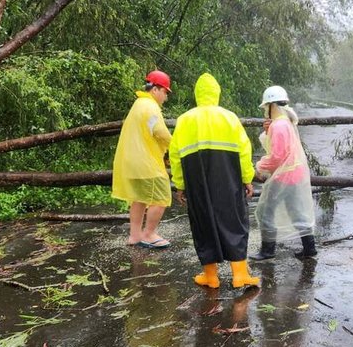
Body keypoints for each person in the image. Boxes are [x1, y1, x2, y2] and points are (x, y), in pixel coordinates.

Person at [169, 72, 259, 289]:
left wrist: (180, 185)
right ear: (217, 93)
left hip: (196, 180)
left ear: (197, 94)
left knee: (203, 222)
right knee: (234, 219)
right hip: (228, 178)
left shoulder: (184, 120)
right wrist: (247, 179)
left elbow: (175, 155)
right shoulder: (229, 117)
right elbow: (245, 151)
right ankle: (239, 275)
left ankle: (210, 277)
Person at [250, 85, 317, 260]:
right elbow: (280, 149)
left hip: (284, 176)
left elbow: (277, 156)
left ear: (272, 105)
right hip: (295, 174)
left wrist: (259, 165)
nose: (265, 110)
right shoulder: (285, 123)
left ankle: (267, 250)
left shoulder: (279, 125)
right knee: (296, 211)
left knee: (265, 211)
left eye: (266, 107)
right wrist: (267, 131)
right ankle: (310, 248)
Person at [111, 69, 173, 248]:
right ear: (155, 89)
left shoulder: (138, 104)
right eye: (165, 92)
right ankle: (149, 234)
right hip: (146, 162)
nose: (165, 98)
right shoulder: (150, 107)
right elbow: (160, 132)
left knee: (139, 198)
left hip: (131, 161)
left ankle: (135, 235)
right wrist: (175, 145)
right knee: (161, 196)